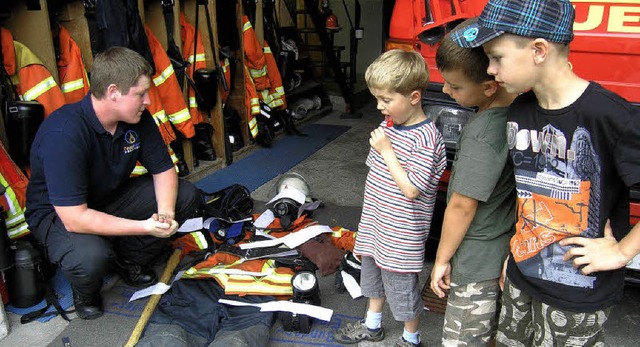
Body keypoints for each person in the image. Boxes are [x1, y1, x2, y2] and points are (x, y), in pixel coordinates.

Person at [449, 0, 640, 345]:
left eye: (496, 57)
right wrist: (516, 253)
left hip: (577, 296)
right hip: (521, 280)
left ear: (538, 50)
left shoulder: (610, 116)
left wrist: (624, 251)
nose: (489, 70)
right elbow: (527, 196)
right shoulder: (520, 111)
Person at [25, 47, 201, 320]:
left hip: (108, 198)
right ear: (113, 92)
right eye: (140, 94)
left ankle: (127, 258)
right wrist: (144, 227)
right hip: (59, 215)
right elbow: (74, 218)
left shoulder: (136, 119)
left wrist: (164, 216)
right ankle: (86, 290)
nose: (148, 102)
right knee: (91, 256)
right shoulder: (65, 133)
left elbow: (164, 170)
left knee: (186, 194)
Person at [333, 49, 446, 347]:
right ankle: (372, 325)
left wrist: (387, 150)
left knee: (402, 288)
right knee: (371, 277)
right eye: (378, 99)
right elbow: (376, 172)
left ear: (414, 97)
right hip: (377, 223)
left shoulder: (427, 138)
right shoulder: (390, 125)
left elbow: (412, 189)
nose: (380, 107)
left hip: (402, 233)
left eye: (386, 100)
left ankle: (411, 338)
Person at [429, 17, 517, 346]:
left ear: (490, 85)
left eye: (455, 86)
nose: (447, 91)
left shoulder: (483, 133)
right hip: (499, 251)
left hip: (476, 261)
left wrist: (441, 260)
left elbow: (463, 204)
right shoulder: (516, 110)